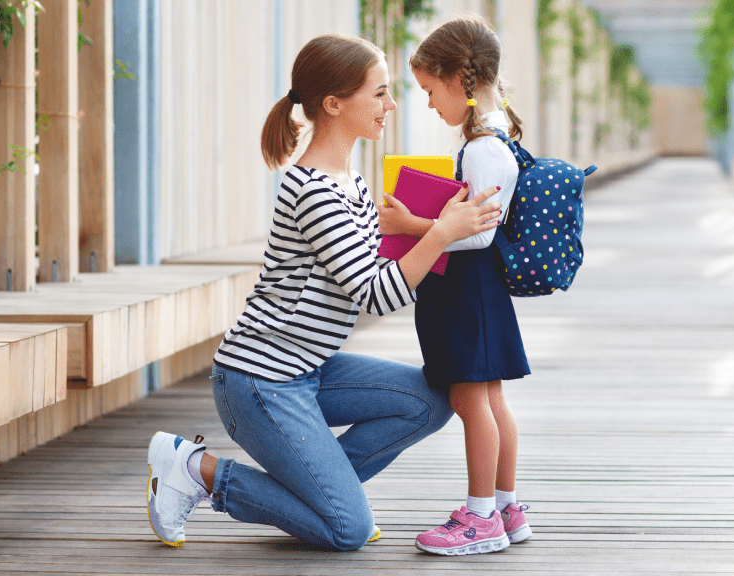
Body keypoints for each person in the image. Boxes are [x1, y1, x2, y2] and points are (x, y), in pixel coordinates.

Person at [145, 33, 503, 551]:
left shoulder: (350, 183)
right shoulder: (313, 190)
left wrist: (423, 225)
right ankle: (198, 470)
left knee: (430, 399)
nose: (392, 104)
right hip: (260, 381)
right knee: (346, 530)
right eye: (379, 93)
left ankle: (320, 496)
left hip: (309, 369)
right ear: (334, 104)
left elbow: (374, 265)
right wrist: (443, 231)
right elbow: (376, 294)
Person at [376, 17, 532, 556]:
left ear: (460, 80)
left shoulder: (483, 148)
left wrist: (409, 227)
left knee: (472, 403)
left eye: (429, 90)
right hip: (477, 293)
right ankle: (506, 507)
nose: (427, 103)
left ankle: (481, 515)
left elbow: (476, 235)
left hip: (467, 291)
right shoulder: (495, 138)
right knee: (490, 401)